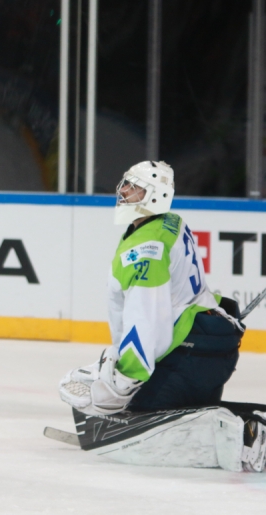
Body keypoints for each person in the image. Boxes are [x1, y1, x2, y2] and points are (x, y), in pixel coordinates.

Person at [58, 160, 266, 472]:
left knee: (142, 417)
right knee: (188, 410)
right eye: (126, 183)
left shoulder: (146, 248)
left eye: (134, 187)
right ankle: (246, 427)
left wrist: (125, 378)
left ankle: (242, 439)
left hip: (186, 355)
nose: (123, 191)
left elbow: (148, 320)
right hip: (207, 348)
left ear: (154, 196)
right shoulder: (170, 222)